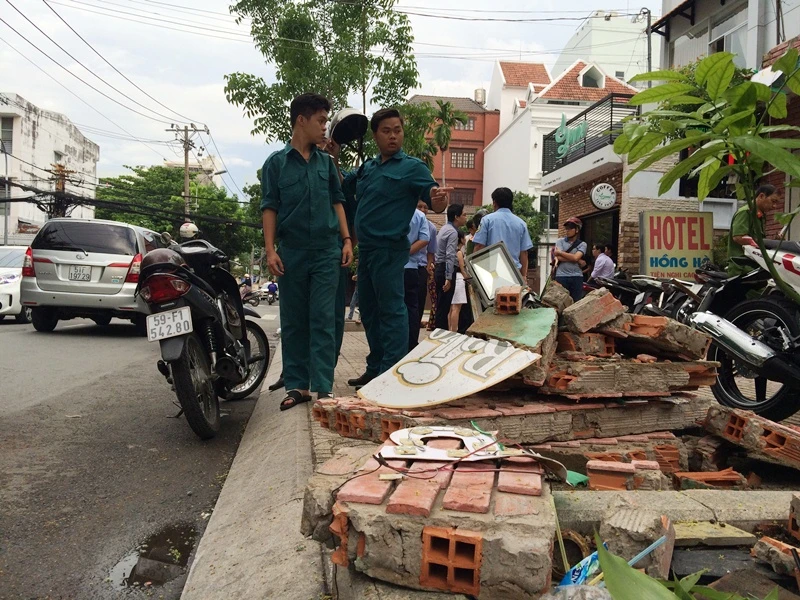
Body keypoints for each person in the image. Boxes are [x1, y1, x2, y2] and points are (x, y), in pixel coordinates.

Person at [333, 108, 449, 389]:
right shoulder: (368, 169)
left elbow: (435, 201)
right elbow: (343, 185)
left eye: (398, 130)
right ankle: (374, 368)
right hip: (367, 252)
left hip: (391, 250)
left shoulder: (412, 167)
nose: (393, 135)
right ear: (376, 135)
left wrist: (439, 200)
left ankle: (390, 372)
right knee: (369, 312)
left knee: (391, 311)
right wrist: (334, 159)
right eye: (386, 130)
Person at [261, 93, 353, 410]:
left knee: (324, 318)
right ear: (302, 119)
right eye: (321, 121)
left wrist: (346, 240)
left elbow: (337, 201)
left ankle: (324, 387)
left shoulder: (326, 163)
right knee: (295, 320)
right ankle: (298, 386)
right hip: (292, 252)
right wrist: (270, 249)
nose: (325, 127)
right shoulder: (275, 164)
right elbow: (269, 207)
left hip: (327, 251)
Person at [473, 187, 534, 279]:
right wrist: (523, 276)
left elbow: (479, 246)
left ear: (494, 203)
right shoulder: (521, 223)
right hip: (514, 273)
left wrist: (474, 269)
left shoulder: (487, 220)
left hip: (492, 272)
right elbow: (524, 253)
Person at [728, 184, 781, 275]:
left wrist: (774, 242)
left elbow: (759, 239)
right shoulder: (746, 212)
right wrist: (755, 243)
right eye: (773, 201)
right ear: (761, 196)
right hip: (742, 268)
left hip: (755, 265)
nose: (774, 206)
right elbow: (738, 237)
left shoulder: (760, 216)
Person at [434, 203, 467, 330]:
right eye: (464, 215)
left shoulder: (444, 229)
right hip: (445, 270)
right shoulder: (452, 232)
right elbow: (450, 255)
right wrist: (448, 277)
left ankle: (438, 333)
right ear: (456, 217)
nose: (466, 217)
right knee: (444, 307)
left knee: (441, 306)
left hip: (440, 268)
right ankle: (440, 335)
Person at [404, 208, 431, 352]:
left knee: (391, 306)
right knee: (412, 307)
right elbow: (425, 239)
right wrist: (407, 252)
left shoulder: (391, 207)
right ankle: (411, 344)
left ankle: (393, 346)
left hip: (391, 266)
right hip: (411, 267)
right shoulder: (419, 215)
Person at [415, 200, 437, 332]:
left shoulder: (431, 228)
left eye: (426, 207)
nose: (423, 210)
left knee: (419, 304)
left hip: (421, 269)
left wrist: (428, 267)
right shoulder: (407, 221)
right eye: (420, 206)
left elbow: (431, 251)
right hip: (405, 267)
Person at [553, 216, 587, 302]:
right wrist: (576, 259)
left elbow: (575, 257)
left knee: (576, 303)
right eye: (566, 228)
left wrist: (561, 253)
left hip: (576, 277)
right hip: (561, 276)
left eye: (570, 228)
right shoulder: (560, 241)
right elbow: (558, 257)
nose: (567, 230)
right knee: (559, 303)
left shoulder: (582, 244)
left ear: (577, 230)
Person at [448, 230, 470, 332]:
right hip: (459, 279)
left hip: (453, 278)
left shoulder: (451, 251)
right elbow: (462, 268)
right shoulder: (459, 252)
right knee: (457, 307)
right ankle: (454, 330)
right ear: (461, 239)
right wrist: (468, 278)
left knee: (452, 307)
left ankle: (449, 329)